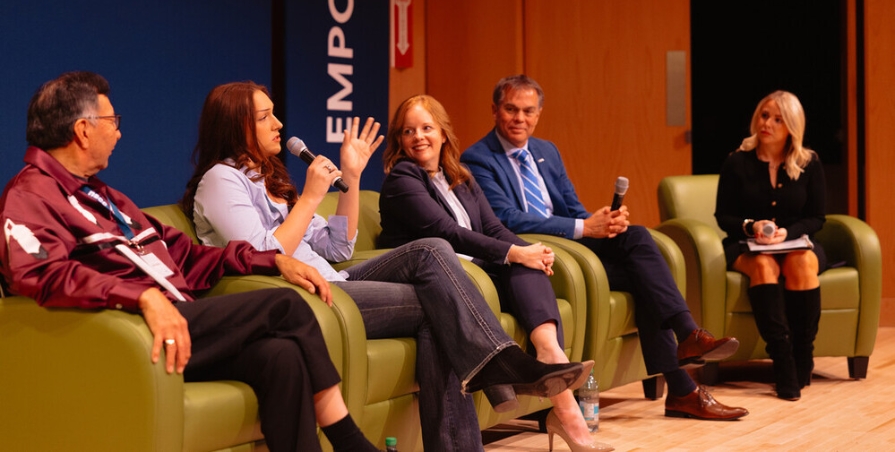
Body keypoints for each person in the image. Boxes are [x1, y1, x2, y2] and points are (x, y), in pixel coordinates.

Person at [180, 81, 587, 452]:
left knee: (431, 252)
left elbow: (337, 247)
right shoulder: (221, 180)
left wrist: (352, 177)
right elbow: (265, 255)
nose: (279, 123)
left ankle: (495, 373)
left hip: (333, 277)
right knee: (437, 304)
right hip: (305, 295)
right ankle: (499, 368)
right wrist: (309, 198)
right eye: (266, 116)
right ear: (237, 126)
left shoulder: (266, 179)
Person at [0, 72, 380, 452]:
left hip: (180, 321)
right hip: (131, 333)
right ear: (83, 130)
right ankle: (349, 441)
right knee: (285, 305)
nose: (118, 134)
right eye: (112, 122)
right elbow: (39, 273)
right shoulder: (32, 193)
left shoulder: (104, 196)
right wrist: (141, 298)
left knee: (280, 357)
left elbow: (185, 254)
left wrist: (271, 262)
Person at [461, 74, 749, 421]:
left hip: (573, 243)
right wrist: (584, 227)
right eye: (511, 109)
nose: (520, 118)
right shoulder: (477, 158)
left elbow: (571, 206)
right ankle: (683, 382)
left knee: (637, 239)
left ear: (538, 114)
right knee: (643, 275)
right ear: (495, 110)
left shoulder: (545, 151)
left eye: (528, 111)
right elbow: (506, 220)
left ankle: (687, 346)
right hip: (537, 254)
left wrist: (601, 221)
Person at [378, 94, 610, 452]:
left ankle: (551, 358)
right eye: (409, 131)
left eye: (427, 128)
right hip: (438, 275)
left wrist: (528, 251)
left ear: (443, 133)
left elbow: (492, 227)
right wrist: (514, 251)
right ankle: (564, 410)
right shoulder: (403, 178)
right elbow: (447, 233)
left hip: (472, 269)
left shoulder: (460, 177)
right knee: (513, 258)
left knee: (525, 265)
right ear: (400, 140)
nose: (418, 137)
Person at [714, 90, 826, 401]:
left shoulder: (808, 162)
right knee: (764, 265)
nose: (768, 124)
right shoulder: (737, 161)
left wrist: (788, 232)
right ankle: (783, 361)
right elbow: (723, 216)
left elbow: (817, 217)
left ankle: (804, 354)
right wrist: (751, 226)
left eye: (778, 119)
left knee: (802, 262)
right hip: (748, 245)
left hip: (795, 242)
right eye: (765, 115)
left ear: (792, 126)